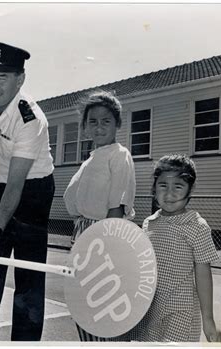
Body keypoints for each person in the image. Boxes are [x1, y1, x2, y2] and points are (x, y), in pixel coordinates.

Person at [0, 41, 55, 341]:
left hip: (32, 192)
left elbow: (16, 184)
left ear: (19, 80)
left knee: (28, 275)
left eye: (2, 78)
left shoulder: (30, 119)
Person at [63, 90, 136, 341]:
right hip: (82, 234)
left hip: (104, 237)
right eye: (92, 121)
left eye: (106, 121)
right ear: (84, 127)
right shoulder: (91, 159)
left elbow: (116, 206)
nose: (99, 126)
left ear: (118, 124)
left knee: (101, 309)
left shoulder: (119, 155)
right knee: (83, 310)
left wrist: (104, 249)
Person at [127, 154, 221, 342]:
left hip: (180, 310)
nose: (169, 194)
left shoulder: (197, 226)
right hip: (149, 309)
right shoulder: (148, 223)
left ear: (190, 189)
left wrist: (208, 319)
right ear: (154, 188)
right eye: (163, 186)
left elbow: (203, 275)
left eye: (178, 186)